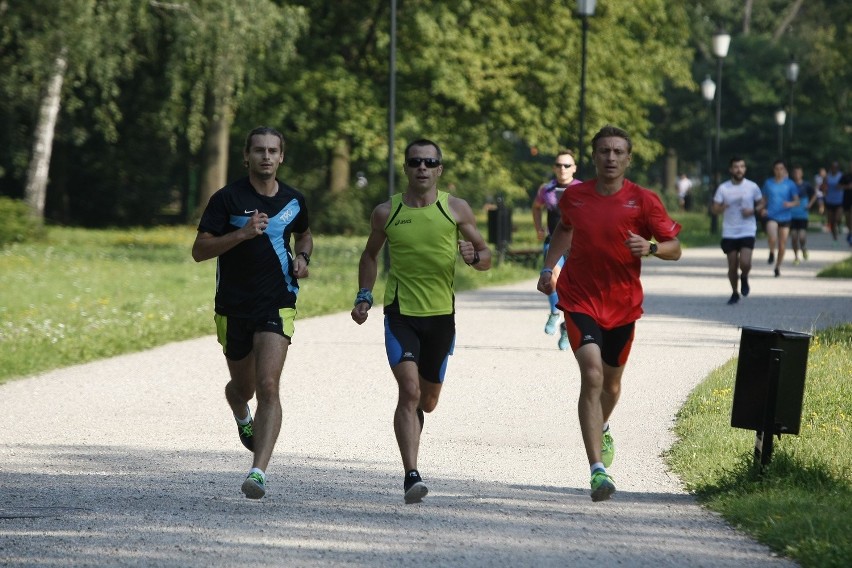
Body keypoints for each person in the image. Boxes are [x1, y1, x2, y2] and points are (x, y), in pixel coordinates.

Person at [537, 125, 682, 502]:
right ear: (594, 156)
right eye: (604, 151)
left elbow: (675, 247)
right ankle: (597, 471)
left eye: (618, 152)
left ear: (628, 158)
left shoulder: (644, 201)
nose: (611, 158)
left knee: (612, 385)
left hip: (623, 305)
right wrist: (548, 268)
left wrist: (650, 248)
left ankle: (602, 426)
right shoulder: (575, 197)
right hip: (579, 299)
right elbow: (563, 232)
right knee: (593, 373)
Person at [351, 139, 491, 503]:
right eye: (415, 162)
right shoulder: (387, 212)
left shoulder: (455, 209)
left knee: (426, 402)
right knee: (409, 391)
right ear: (406, 168)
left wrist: (473, 256)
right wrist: (364, 295)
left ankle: (415, 422)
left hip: (441, 317)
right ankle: (411, 474)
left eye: (430, 162)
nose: (422, 168)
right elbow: (369, 256)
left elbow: (487, 256)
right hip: (401, 314)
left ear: (439, 169)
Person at [191, 126, 312, 499]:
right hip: (233, 306)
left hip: (277, 301)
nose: (266, 156)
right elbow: (200, 250)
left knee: (269, 385)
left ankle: (258, 471)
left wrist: (303, 258)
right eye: (258, 150)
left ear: (281, 157)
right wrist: (241, 234)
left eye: (272, 151)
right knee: (243, 388)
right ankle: (241, 411)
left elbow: (304, 233)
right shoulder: (227, 199)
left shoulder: (294, 199)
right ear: (246, 156)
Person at [531, 150, 581, 349]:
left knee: (574, 288)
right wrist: (538, 228)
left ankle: (568, 327)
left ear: (574, 168)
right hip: (553, 242)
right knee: (552, 277)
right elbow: (536, 207)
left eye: (567, 165)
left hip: (578, 245)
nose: (563, 169)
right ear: (554, 168)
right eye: (559, 165)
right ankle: (554, 313)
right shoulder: (547, 189)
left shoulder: (582, 189)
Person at [711, 157, 765, 304]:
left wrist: (753, 210)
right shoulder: (724, 188)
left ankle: (745, 277)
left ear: (745, 169)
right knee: (732, 265)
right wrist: (722, 208)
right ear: (731, 169)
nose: (739, 169)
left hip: (747, 229)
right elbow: (714, 208)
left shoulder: (752, 187)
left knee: (745, 263)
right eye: (736, 167)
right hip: (729, 231)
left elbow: (761, 203)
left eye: (742, 166)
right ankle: (735, 292)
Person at [760, 160, 800, 277]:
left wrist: (790, 204)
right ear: (774, 170)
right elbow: (764, 199)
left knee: (782, 245)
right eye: (777, 168)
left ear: (784, 170)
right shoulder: (768, 183)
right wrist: (762, 208)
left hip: (785, 217)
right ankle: (772, 252)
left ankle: (777, 266)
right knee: (772, 237)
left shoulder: (790, 184)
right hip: (771, 215)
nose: (779, 171)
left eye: (781, 168)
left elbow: (797, 201)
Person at [789, 165, 816, 263]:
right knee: (794, 237)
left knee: (801, 237)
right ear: (793, 174)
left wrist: (810, 204)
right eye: (795, 173)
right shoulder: (790, 185)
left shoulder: (806, 185)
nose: (797, 175)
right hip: (792, 215)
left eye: (799, 173)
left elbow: (814, 194)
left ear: (802, 174)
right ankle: (796, 257)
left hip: (803, 214)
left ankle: (803, 248)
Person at [823, 161, 844, 245]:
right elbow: (823, 186)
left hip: (839, 200)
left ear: (837, 168)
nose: (834, 168)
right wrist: (824, 189)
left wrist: (841, 186)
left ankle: (840, 224)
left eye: (835, 167)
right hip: (829, 201)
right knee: (831, 222)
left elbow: (846, 185)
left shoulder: (841, 176)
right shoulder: (827, 177)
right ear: (831, 168)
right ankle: (835, 239)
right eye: (832, 167)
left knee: (837, 219)